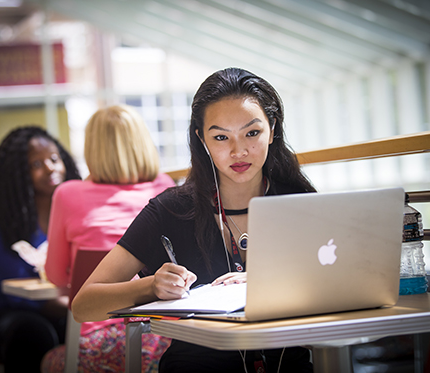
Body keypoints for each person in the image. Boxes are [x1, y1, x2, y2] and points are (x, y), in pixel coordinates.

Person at [72, 67, 316, 372]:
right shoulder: (171, 209)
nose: (238, 151)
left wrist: (268, 283)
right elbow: (83, 305)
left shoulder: (301, 200)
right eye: (221, 137)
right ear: (202, 139)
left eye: (252, 133)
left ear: (273, 128)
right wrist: (150, 287)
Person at [41, 105, 175, 372]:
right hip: (162, 337)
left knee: (49, 362)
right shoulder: (165, 188)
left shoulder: (67, 194)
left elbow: (57, 277)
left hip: (94, 341)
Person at [0, 126, 81, 372]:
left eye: (54, 159)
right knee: (33, 334)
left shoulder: (77, 213)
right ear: (19, 174)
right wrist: (76, 305)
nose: (50, 168)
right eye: (36, 164)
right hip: (11, 316)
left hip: (67, 309)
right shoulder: (5, 220)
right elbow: (16, 291)